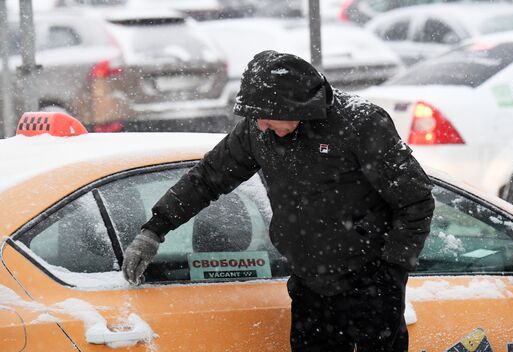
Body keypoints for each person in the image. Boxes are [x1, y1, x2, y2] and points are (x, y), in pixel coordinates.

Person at [122, 50, 435, 352]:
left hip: (370, 283)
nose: (259, 125)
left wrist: (391, 273)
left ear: (295, 107)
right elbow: (207, 178)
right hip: (311, 286)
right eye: (254, 117)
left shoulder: (360, 124)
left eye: (266, 117)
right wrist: (155, 228)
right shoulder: (258, 132)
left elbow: (416, 200)